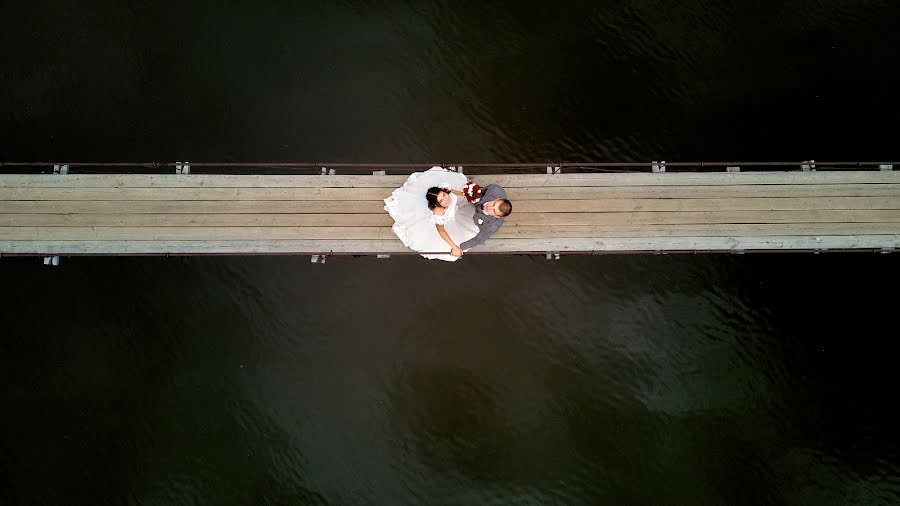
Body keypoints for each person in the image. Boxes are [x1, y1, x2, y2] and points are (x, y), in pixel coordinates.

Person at [384, 166, 479, 261]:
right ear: (438, 204)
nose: (446, 200)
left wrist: (468, 195)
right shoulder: (438, 213)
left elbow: (456, 192)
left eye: (444, 195)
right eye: (441, 201)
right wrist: (454, 247)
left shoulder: (446, 190)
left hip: (456, 212)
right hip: (447, 224)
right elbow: (441, 231)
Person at [459, 183, 512, 251]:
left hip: (475, 218)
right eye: (493, 204)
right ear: (496, 199)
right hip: (477, 201)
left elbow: (479, 239)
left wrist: (460, 248)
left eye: (494, 211)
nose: (490, 207)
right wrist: (476, 196)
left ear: (496, 216)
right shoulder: (494, 189)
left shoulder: (492, 225)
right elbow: (483, 190)